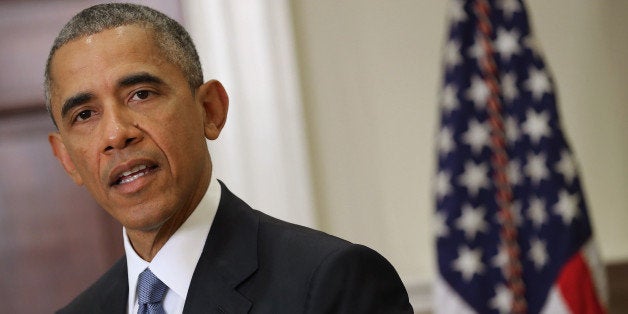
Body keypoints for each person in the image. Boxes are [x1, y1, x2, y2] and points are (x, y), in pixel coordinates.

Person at [45, 3, 412, 313]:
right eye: (84, 115)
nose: (115, 133)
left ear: (210, 109)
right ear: (67, 159)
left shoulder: (331, 283)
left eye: (141, 94)